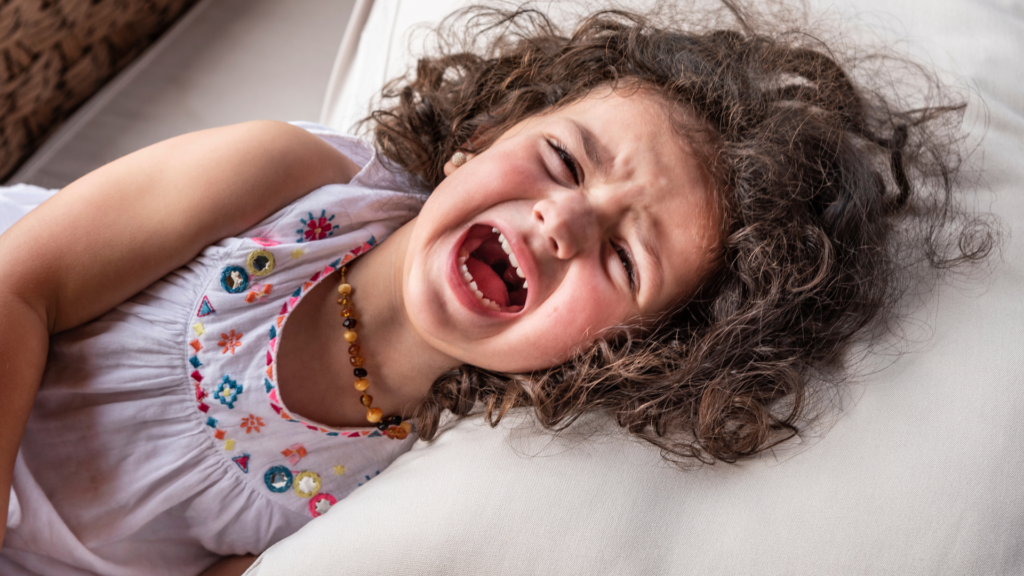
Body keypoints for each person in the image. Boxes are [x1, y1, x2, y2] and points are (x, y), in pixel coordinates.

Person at [0, 3, 991, 575]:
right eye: (562, 161)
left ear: (624, 353)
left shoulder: (407, 473)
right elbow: (24, 286)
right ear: (481, 135)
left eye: (622, 260)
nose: (563, 223)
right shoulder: (300, 182)